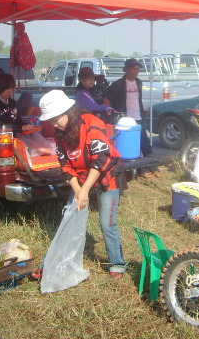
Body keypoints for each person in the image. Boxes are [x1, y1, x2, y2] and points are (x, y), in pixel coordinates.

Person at [39, 89, 127, 277]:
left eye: (55, 119)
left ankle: (117, 264)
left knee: (107, 223)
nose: (54, 125)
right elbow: (65, 165)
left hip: (106, 178)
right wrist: (78, 190)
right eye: (51, 121)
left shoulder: (91, 123)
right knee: (70, 217)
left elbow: (101, 159)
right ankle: (56, 262)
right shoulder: (60, 133)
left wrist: (85, 190)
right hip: (81, 179)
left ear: (67, 112)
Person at [105, 58, 160, 177]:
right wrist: (109, 111)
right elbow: (107, 99)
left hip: (139, 116)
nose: (136, 71)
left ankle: (153, 167)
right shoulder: (118, 84)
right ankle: (141, 169)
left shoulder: (139, 82)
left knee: (144, 141)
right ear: (127, 69)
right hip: (126, 120)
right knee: (132, 144)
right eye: (133, 69)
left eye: (138, 69)